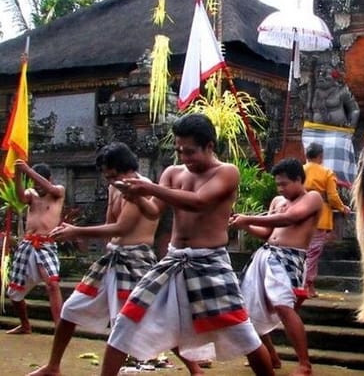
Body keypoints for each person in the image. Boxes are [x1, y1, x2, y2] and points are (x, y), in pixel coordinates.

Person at [96, 114, 274, 376]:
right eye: (179, 150)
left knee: (243, 334)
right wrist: (135, 196)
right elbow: (154, 211)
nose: (183, 157)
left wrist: (150, 188)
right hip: (173, 260)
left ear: (209, 146)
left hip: (209, 262)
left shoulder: (226, 172)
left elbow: (198, 201)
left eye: (190, 151)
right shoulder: (172, 172)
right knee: (126, 321)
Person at [27, 142, 202, 376]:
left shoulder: (142, 187)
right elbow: (112, 225)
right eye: (106, 176)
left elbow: (122, 227)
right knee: (70, 309)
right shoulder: (114, 187)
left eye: (112, 175)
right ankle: (53, 366)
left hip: (136, 261)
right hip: (112, 259)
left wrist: (77, 231)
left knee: (151, 318)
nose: (109, 180)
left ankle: (195, 368)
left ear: (125, 169)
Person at [230, 158, 323, 376]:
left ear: (299, 179)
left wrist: (249, 218)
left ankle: (304, 364)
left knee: (283, 306)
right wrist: (244, 224)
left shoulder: (312, 198)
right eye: (278, 184)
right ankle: (271, 355)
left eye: (285, 184)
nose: (280, 188)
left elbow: (291, 218)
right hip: (265, 256)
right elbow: (267, 233)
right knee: (248, 308)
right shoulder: (277, 201)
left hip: (289, 258)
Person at [6, 160, 65, 334]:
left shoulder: (58, 191)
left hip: (46, 245)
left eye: (40, 183)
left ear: (49, 179)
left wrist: (27, 170)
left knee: (52, 284)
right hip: (28, 244)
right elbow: (20, 198)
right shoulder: (32, 194)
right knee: (13, 291)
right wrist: (18, 174)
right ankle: (25, 325)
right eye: (35, 185)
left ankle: (59, 328)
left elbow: (51, 189)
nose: (38, 188)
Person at [302, 142, 350, 297]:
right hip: (319, 216)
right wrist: (343, 208)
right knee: (312, 254)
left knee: (305, 252)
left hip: (300, 215)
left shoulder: (300, 170)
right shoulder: (326, 172)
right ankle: (304, 286)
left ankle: (310, 287)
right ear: (320, 156)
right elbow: (332, 197)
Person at [302, 61, 360, 184]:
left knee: (337, 166)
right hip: (314, 133)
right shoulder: (313, 91)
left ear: (335, 76)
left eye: (325, 73)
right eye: (319, 73)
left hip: (338, 134)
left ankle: (339, 183)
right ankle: (314, 182)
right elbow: (309, 110)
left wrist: (351, 127)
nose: (321, 76)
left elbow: (354, 110)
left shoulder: (342, 91)